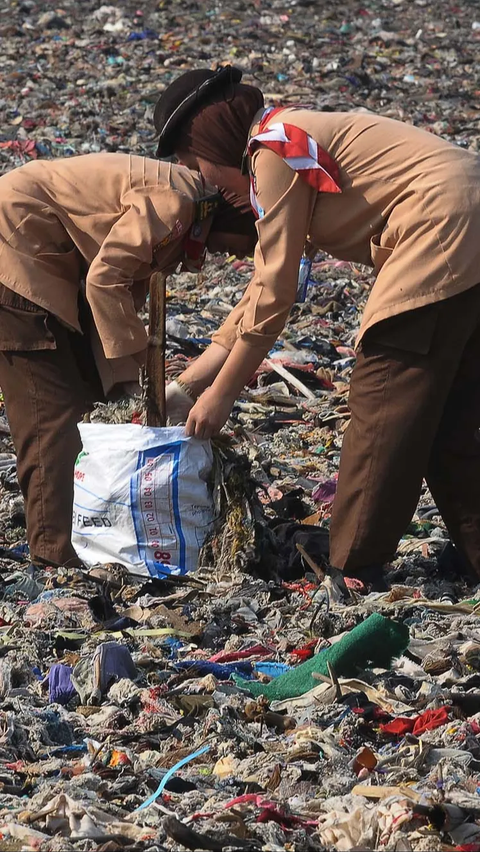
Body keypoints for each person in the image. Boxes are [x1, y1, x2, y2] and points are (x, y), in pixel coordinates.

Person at [154, 65, 480, 587]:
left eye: (196, 163)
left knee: (384, 401)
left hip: (439, 228)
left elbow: (276, 294)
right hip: (468, 227)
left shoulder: (272, 150)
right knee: (447, 415)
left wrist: (221, 397)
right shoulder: (287, 138)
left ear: (214, 142)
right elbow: (259, 294)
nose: (205, 180)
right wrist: (187, 386)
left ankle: (352, 567)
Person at [0, 151, 256, 568]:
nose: (234, 256)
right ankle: (54, 555)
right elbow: (106, 281)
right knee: (52, 415)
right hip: (16, 249)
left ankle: (91, 533)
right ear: (234, 222)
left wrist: (131, 386)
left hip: (54, 262)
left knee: (89, 402)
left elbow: (121, 295)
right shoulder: (177, 204)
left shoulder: (188, 212)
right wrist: (144, 378)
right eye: (242, 246)